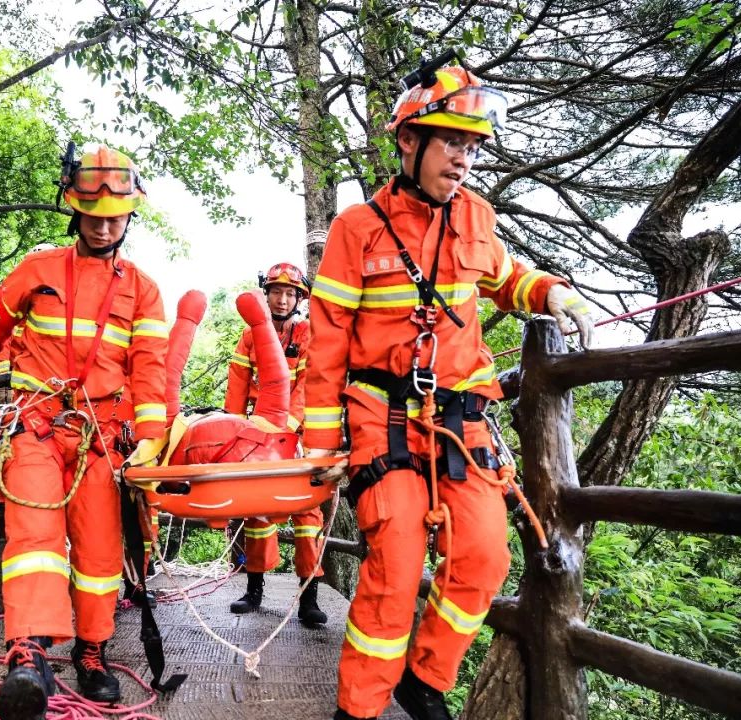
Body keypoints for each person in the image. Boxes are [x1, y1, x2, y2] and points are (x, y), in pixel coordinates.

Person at [301, 65, 593, 720]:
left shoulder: (477, 219)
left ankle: (425, 679)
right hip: (382, 418)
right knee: (396, 566)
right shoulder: (358, 229)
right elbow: (325, 347)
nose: (464, 159)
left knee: (485, 556)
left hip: (462, 420)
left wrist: (552, 292)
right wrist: (323, 447)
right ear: (409, 141)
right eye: (451, 143)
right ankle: (360, 708)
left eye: (473, 147)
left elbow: (508, 278)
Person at [0, 145, 169, 720]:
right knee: (34, 538)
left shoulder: (144, 290)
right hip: (35, 426)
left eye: (116, 215)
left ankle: (93, 650)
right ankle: (27, 654)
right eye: (94, 214)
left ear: (131, 215)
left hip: (103, 436)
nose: (105, 225)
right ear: (73, 209)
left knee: (102, 554)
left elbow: (150, 373)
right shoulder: (38, 271)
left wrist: (151, 439)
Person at [223, 262, 327, 627]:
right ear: (265, 295)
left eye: (289, 293)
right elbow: (236, 386)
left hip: (300, 435)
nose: (282, 299)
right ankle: (254, 590)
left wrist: (288, 428)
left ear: (299, 298)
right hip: (256, 436)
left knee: (306, 514)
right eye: (276, 292)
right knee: (257, 512)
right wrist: (233, 433)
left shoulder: (309, 333)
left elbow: (310, 385)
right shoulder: (250, 337)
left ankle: (309, 596)